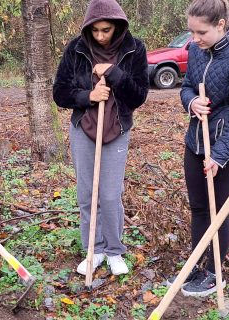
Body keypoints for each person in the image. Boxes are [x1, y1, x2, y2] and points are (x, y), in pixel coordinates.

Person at [52, 0, 148, 277]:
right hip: (84, 127)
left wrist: (115, 74)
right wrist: (88, 96)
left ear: (117, 26)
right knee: (86, 194)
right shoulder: (77, 48)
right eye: (94, 31)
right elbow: (60, 93)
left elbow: (139, 95)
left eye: (105, 30)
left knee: (109, 194)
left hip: (117, 128)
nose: (100, 36)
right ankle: (94, 249)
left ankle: (114, 251)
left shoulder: (134, 49)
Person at [176, 0, 229, 297]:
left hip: (228, 146)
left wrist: (220, 155)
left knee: (218, 211)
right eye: (192, 31)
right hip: (196, 140)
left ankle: (214, 273)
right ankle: (198, 265)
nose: (195, 39)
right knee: (199, 207)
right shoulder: (196, 50)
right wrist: (191, 102)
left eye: (201, 32)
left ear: (221, 25)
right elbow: (186, 86)